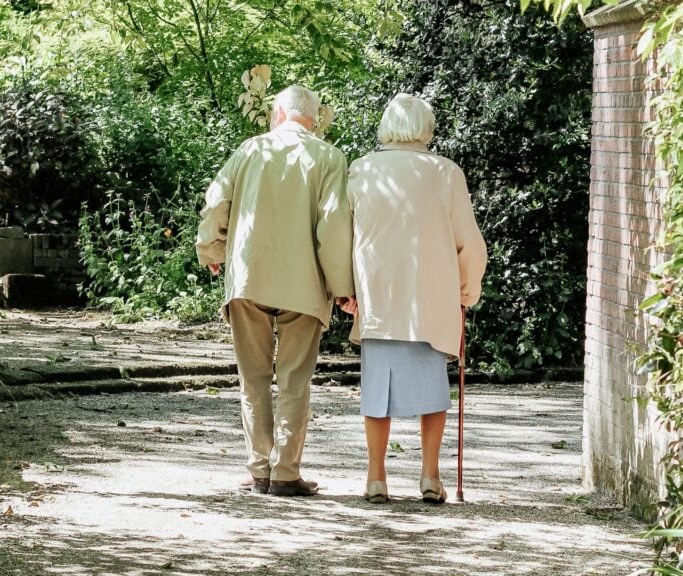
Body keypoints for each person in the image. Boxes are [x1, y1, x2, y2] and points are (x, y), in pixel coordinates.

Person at [195, 85, 356, 497]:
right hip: (304, 284)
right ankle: (285, 472)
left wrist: (211, 249)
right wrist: (342, 287)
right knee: (294, 380)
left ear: (278, 113)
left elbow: (216, 204)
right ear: (314, 118)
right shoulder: (329, 157)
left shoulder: (249, 150)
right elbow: (334, 226)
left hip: (249, 278)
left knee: (253, 378)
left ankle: (259, 469)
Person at [342, 93, 487, 504]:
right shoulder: (445, 173)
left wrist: (345, 290)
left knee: (376, 392)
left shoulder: (362, 170)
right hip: (431, 298)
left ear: (387, 125)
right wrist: (467, 290)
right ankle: (429, 475)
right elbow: (469, 243)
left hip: (379, 296)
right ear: (427, 127)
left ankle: (375, 477)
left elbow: (343, 236)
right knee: (433, 391)